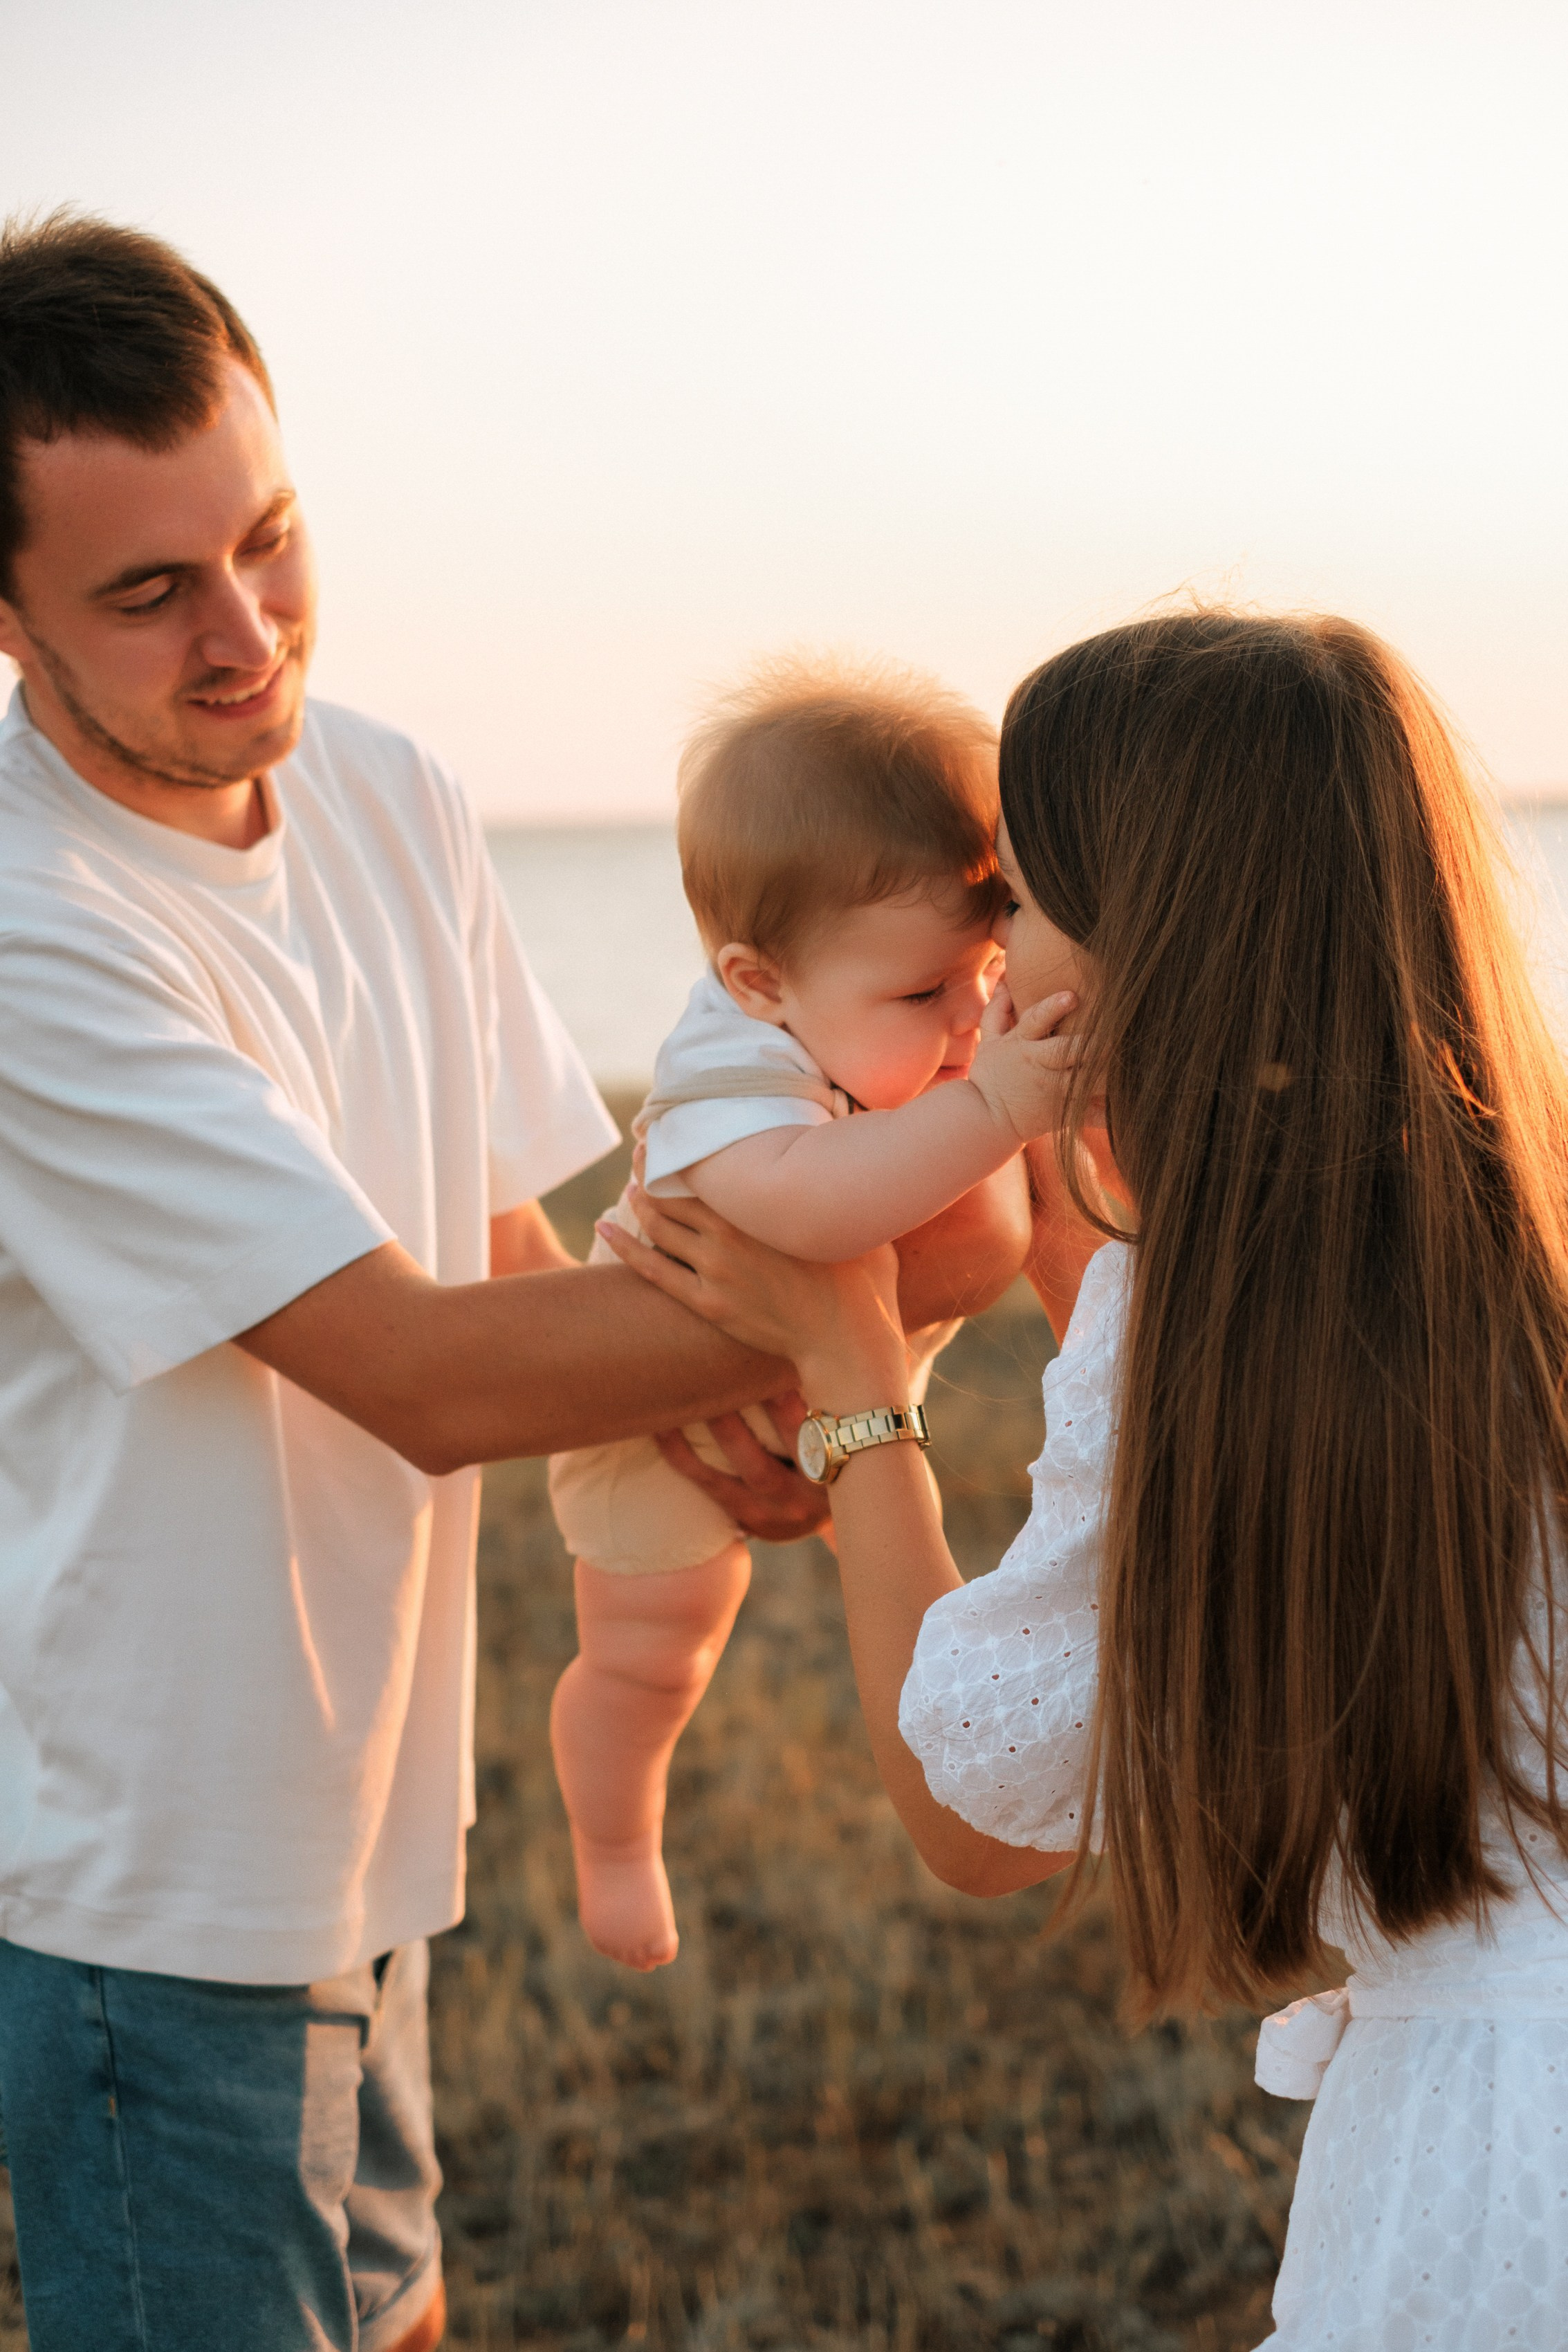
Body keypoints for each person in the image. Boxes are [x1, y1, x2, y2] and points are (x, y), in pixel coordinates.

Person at [0, 213, 1031, 2352]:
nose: (245, 631)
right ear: (7, 618)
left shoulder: (388, 791)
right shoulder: (31, 929)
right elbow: (420, 1369)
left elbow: (506, 1251)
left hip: (371, 1808)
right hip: (152, 1867)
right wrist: (855, 1301)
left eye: (267, 541)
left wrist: (707, 1414)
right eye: (147, 591)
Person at [607, 609, 1568, 2349]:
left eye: (1023, 906)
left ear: (1155, 937)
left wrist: (850, 1374)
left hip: (1490, 2172)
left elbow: (973, 1812)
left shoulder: (1205, 1287)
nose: (990, 968)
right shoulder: (1511, 1214)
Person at [548, 658, 1079, 1970]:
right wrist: (996, 1111)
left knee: (941, 1627)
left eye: (986, 972)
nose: (969, 1021)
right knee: (653, 1649)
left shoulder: (858, 1010)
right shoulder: (727, 1073)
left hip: (826, 1398)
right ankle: (613, 1841)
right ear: (757, 981)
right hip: (659, 1423)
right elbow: (821, 1218)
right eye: (920, 999)